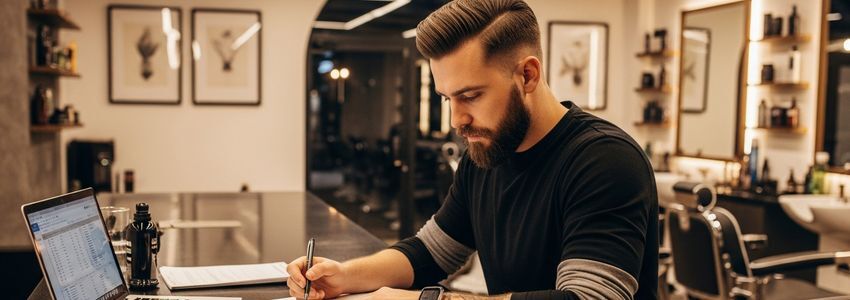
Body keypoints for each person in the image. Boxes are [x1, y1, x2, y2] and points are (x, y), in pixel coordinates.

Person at [287, 0, 658, 299]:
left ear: (527, 75)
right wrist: (344, 275)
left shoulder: (605, 161)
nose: (456, 120)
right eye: (447, 98)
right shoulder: (486, 153)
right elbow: (430, 252)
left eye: (470, 96)